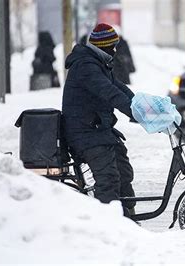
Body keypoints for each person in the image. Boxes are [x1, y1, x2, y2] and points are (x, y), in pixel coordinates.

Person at [62, 23, 136, 217]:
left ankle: (128, 217)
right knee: (109, 178)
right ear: (104, 45)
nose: (115, 50)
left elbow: (119, 88)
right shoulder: (86, 66)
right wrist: (133, 112)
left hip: (98, 130)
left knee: (124, 172)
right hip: (84, 133)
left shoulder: (98, 63)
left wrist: (143, 106)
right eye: (113, 46)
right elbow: (109, 92)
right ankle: (109, 223)